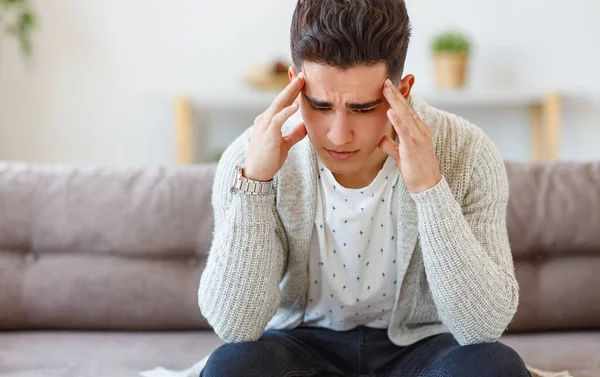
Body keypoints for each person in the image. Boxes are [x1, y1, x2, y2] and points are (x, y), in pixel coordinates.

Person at [198, 0, 531, 376]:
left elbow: (482, 328)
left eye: (362, 108)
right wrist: (255, 185)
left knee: (494, 366)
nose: (339, 136)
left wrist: (430, 189)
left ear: (402, 91)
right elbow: (235, 327)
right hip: (303, 344)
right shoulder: (248, 158)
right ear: (294, 85)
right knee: (233, 366)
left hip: (422, 348)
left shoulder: (467, 152)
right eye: (320, 106)